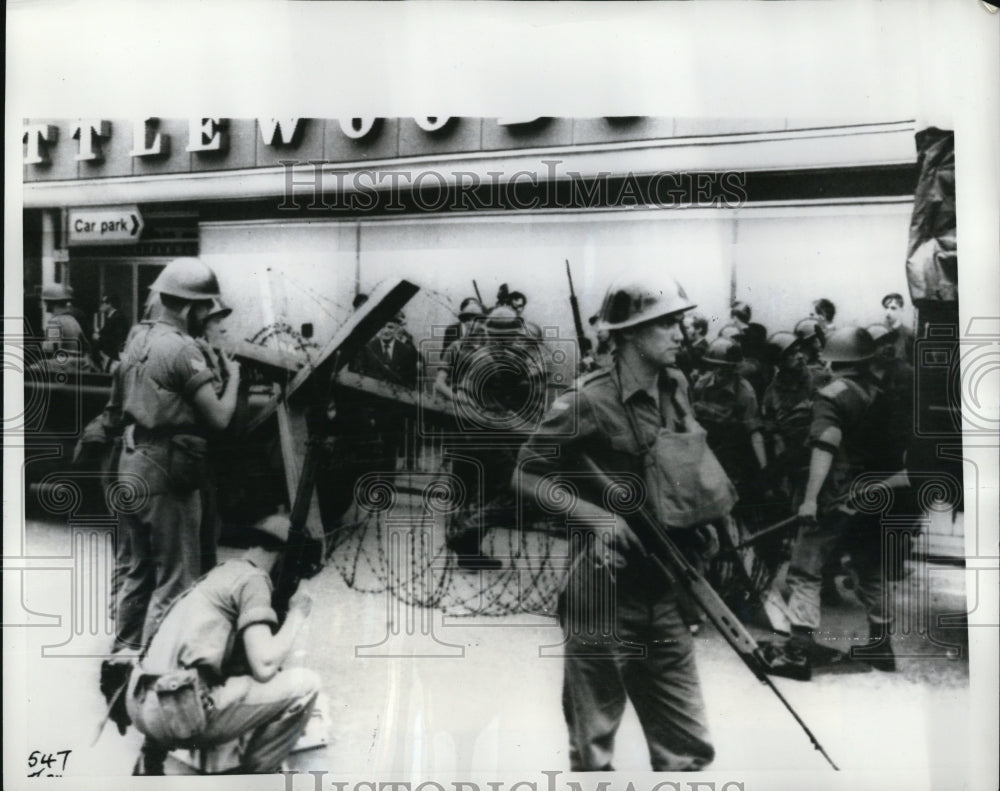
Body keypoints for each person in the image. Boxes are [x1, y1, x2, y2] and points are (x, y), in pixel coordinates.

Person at [515, 269, 723, 771]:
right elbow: (526, 474)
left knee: (688, 747)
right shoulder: (586, 401)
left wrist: (701, 519)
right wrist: (594, 518)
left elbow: (679, 468)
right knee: (595, 747)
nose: (680, 333)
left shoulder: (676, 388)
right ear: (628, 335)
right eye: (665, 324)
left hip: (666, 587)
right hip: (605, 590)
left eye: (680, 322)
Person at [109, 257, 242, 653]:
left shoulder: (139, 337)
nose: (208, 315)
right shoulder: (183, 350)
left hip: (131, 461)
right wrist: (233, 378)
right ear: (188, 307)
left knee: (138, 570)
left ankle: (122, 655)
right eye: (205, 307)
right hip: (167, 471)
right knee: (176, 579)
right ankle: (157, 673)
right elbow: (218, 418)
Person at [126, 513, 321, 775]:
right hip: (179, 713)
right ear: (283, 556)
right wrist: (297, 615)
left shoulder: (224, 573)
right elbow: (264, 665)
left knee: (231, 679)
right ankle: (255, 778)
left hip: (141, 702)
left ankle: (150, 763)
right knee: (306, 685)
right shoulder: (254, 580)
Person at [762, 327, 900, 680]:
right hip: (876, 495)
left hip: (837, 496)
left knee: (805, 570)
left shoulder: (832, 395)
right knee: (869, 568)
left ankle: (795, 654)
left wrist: (809, 499)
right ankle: (881, 646)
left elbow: (827, 443)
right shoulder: (878, 393)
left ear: (834, 358)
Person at [692, 337, 768, 513]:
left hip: (733, 454)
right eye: (715, 366)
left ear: (734, 368)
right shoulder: (701, 385)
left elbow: (754, 432)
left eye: (725, 368)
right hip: (706, 448)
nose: (720, 372)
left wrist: (765, 470)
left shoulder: (744, 393)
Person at [41, 283, 93, 363]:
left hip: (60, 366)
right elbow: (87, 347)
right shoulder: (73, 320)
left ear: (50, 303)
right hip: (74, 366)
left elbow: (51, 349)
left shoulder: (54, 322)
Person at [94, 294, 131, 371]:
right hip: (109, 356)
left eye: (103, 302)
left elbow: (116, 338)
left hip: (113, 357)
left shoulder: (118, 318)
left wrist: (99, 337)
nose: (101, 305)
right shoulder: (112, 317)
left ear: (110, 304)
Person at [881, 292, 915, 362]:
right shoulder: (881, 333)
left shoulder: (908, 335)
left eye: (893, 308)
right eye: (886, 308)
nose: (888, 312)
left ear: (901, 310)